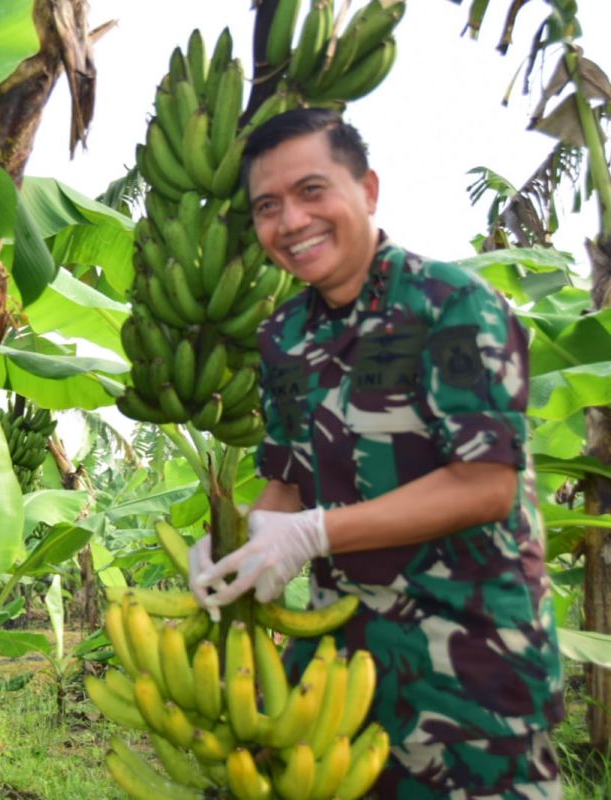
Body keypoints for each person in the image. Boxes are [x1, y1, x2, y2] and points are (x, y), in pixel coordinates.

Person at [188, 108, 564, 798]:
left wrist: (314, 534)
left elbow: (486, 484)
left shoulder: (450, 304)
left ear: (368, 190)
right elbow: (288, 483)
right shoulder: (284, 335)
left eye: (311, 191)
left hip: (468, 672)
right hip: (337, 675)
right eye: (267, 206)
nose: (291, 221)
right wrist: (235, 543)